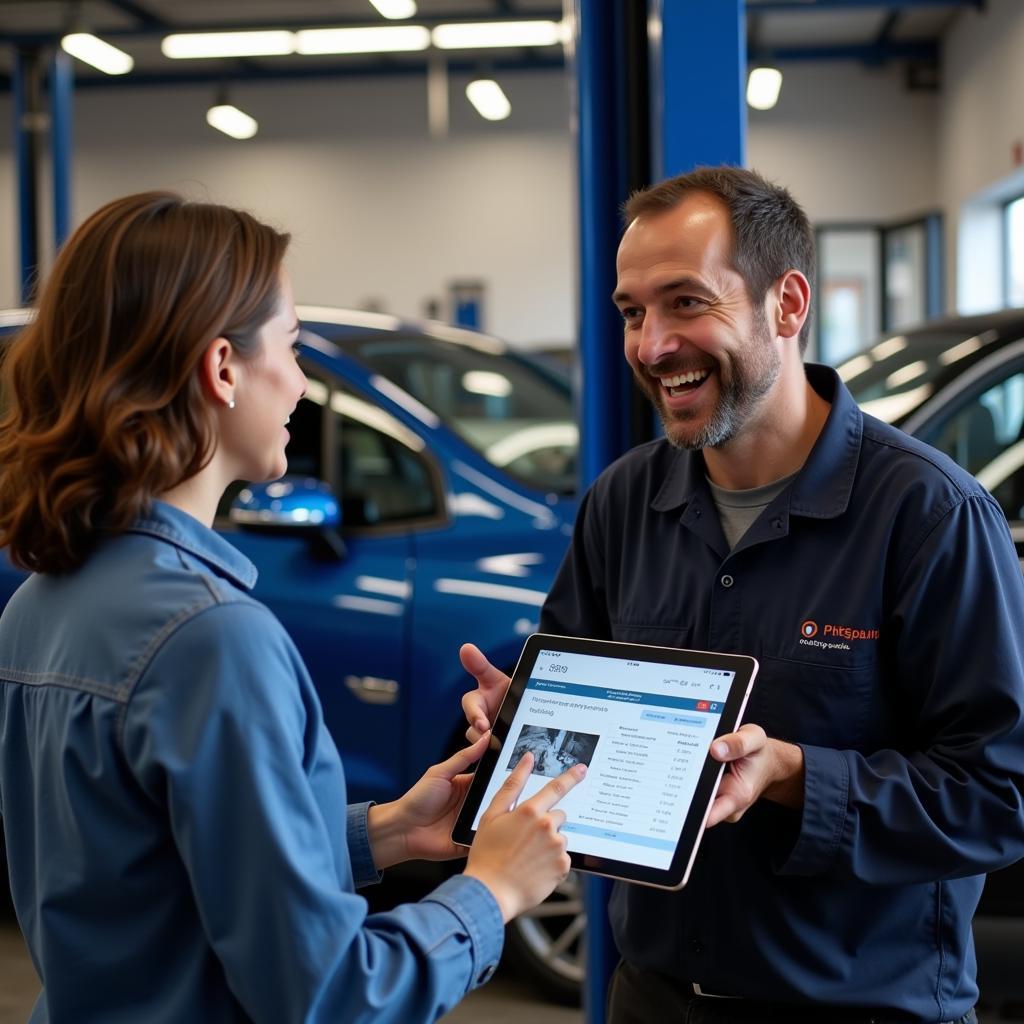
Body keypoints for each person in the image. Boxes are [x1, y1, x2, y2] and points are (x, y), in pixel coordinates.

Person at [0, 190, 585, 1024]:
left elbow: (150, 883)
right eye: (294, 345)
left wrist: (385, 832)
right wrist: (491, 890)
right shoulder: (211, 639)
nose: (304, 382)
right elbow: (327, 995)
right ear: (222, 368)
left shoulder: (40, 602)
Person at [460, 165, 1024, 1024]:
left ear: (788, 304)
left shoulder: (928, 516)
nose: (651, 347)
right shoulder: (623, 502)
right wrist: (528, 730)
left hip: (859, 1009)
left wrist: (795, 776)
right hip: (651, 998)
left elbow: (1000, 797)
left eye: (687, 302)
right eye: (633, 312)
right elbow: (589, 740)